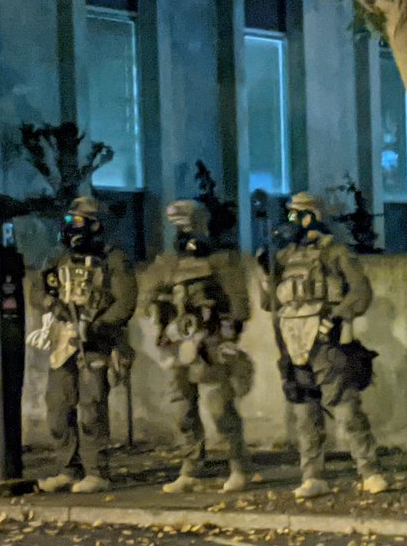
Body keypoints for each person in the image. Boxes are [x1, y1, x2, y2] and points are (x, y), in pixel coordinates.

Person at [258, 191, 388, 499]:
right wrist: (265, 274)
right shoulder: (285, 257)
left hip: (325, 341)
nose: (291, 222)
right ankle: (312, 475)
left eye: (296, 214)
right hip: (293, 341)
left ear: (312, 215)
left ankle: (369, 470)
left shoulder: (335, 253)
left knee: (344, 406)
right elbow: (269, 303)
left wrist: (336, 318)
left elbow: (360, 292)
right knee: (305, 412)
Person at [28, 197, 137, 494]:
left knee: (91, 409)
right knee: (58, 408)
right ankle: (69, 469)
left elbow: (125, 302)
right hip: (64, 342)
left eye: (77, 222)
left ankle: (96, 472)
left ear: (95, 226)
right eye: (68, 222)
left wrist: (98, 325)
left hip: (96, 343)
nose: (71, 229)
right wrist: (51, 303)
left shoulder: (114, 259)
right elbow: (37, 290)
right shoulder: (58, 258)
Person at [146, 200, 253, 493]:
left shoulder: (221, 260)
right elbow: (151, 298)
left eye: (187, 224)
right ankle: (190, 467)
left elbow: (240, 305)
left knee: (219, 407)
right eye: (177, 225)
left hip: (210, 342)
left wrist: (227, 337)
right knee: (182, 409)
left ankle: (238, 465)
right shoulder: (168, 262)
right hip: (177, 342)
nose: (182, 231)